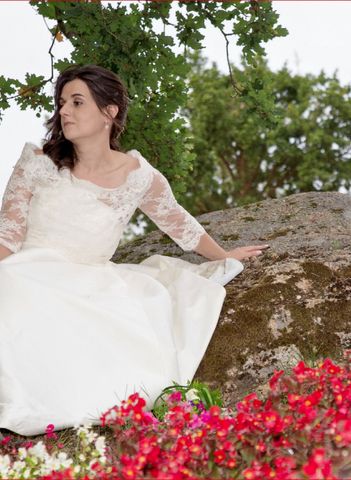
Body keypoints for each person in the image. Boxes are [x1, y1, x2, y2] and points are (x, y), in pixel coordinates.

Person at [0, 64, 269, 436]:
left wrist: (223, 255)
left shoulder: (138, 176)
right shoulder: (38, 163)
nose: (64, 111)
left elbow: (179, 224)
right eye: (62, 102)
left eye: (77, 102)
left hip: (91, 285)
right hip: (27, 272)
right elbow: (8, 237)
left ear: (109, 112)